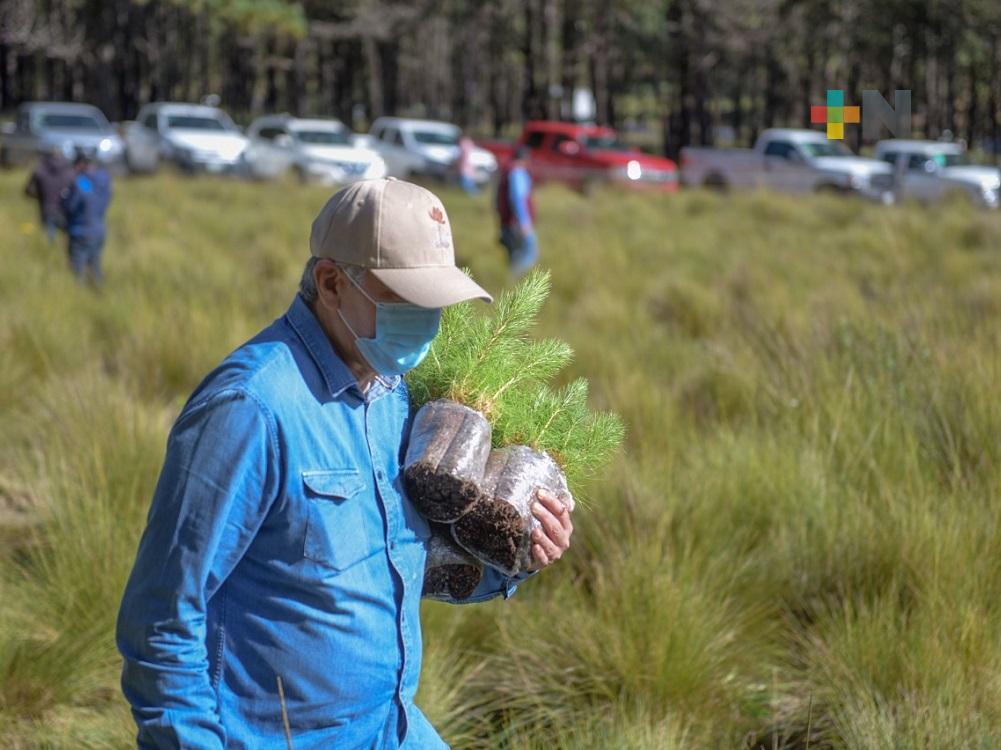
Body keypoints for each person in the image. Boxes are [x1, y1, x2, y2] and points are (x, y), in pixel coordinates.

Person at [116, 177, 575, 750]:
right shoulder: (251, 409)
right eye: (405, 299)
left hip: (391, 726)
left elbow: (402, 571)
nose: (426, 321)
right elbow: (160, 617)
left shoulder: (399, 397)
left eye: (436, 302)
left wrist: (515, 558)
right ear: (332, 283)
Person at [61, 150, 112, 287]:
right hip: (99, 230)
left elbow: (73, 204)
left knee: (77, 270)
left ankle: (80, 295)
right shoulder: (104, 180)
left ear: (82, 164)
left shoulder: (83, 182)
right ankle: (99, 292)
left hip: (81, 230)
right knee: (95, 265)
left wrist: (65, 198)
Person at [495, 146, 538, 277]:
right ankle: (516, 280)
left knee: (514, 254)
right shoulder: (518, 172)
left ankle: (509, 281)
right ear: (525, 159)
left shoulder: (507, 171)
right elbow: (518, 198)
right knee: (530, 252)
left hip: (507, 222)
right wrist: (524, 222)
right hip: (516, 223)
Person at [24, 146, 72, 244]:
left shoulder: (39, 170)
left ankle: (50, 255)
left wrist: (42, 196)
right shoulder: (70, 172)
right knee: (68, 240)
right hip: (65, 211)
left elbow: (28, 191)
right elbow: (81, 191)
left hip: (47, 209)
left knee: (49, 241)